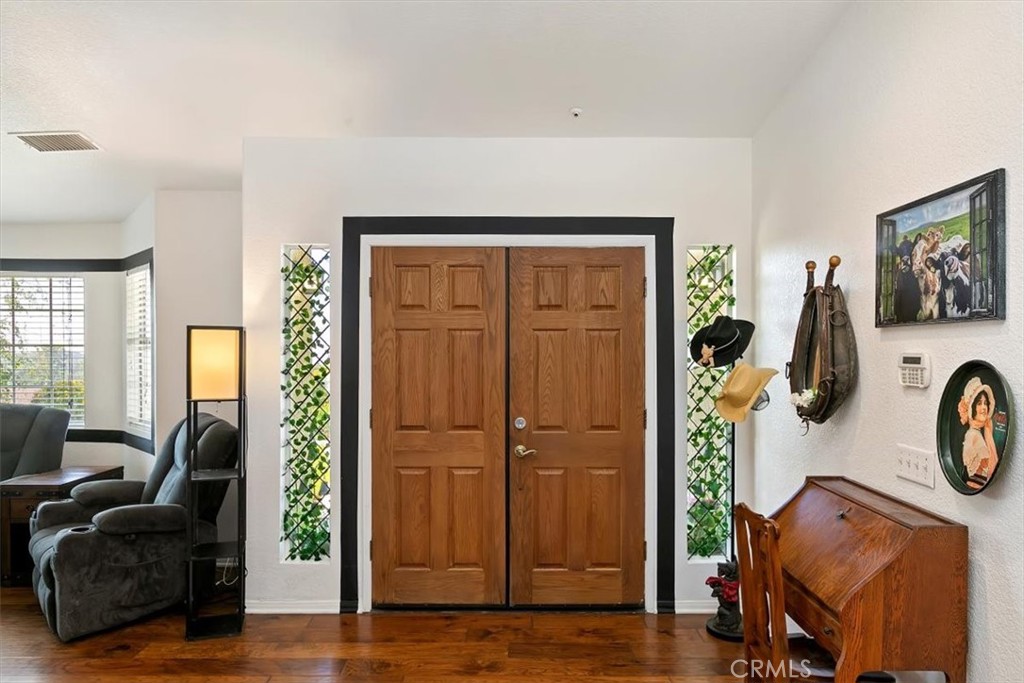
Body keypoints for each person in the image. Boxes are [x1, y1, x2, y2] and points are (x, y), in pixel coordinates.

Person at [958, 377, 999, 490]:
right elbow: (981, 475)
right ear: (972, 408)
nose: (984, 408)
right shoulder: (973, 436)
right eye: (979, 403)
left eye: (985, 403)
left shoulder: (979, 432)